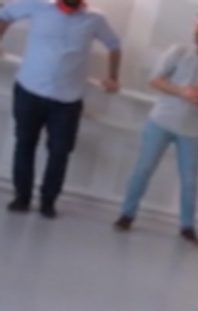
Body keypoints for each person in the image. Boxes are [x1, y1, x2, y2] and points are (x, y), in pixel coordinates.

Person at [113, 12, 198, 246]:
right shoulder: (178, 51)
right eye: (196, 26)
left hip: (193, 131)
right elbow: (155, 80)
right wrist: (183, 92)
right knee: (143, 169)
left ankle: (187, 227)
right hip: (161, 122)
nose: (197, 31)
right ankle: (126, 215)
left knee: (189, 180)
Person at [0, 0, 121, 218]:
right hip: (30, 90)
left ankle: (48, 202)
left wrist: (113, 77)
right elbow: (5, 14)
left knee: (60, 153)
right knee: (25, 144)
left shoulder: (95, 18)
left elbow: (114, 44)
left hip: (67, 101)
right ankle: (22, 197)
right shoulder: (37, 5)